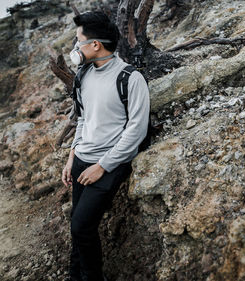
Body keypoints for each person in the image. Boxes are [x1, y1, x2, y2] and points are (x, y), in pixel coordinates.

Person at [60, 11, 150, 281]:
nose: (76, 48)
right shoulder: (84, 75)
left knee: (81, 225)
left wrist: (103, 166)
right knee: (78, 227)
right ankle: (75, 276)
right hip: (81, 160)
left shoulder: (130, 78)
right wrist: (72, 155)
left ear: (95, 45)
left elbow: (136, 129)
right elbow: (84, 118)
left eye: (79, 41)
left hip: (109, 164)